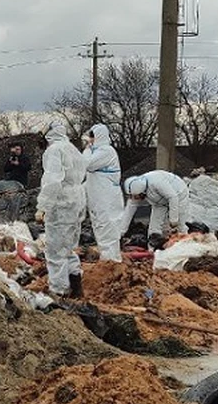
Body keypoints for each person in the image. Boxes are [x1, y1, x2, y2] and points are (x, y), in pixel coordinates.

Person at [33, 121, 86, 299]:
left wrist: (42, 206)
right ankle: (76, 286)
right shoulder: (72, 149)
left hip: (61, 204)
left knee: (55, 251)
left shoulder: (54, 151)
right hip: (76, 201)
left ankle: (59, 291)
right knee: (69, 248)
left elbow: (52, 180)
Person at [82, 124, 124, 262]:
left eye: (92, 137)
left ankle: (112, 262)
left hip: (107, 202)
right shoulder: (98, 152)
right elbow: (90, 178)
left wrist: (87, 149)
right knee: (101, 230)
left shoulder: (106, 151)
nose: (90, 140)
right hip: (99, 202)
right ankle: (108, 261)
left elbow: (86, 164)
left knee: (108, 231)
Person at [120, 170, 190, 239]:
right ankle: (153, 248)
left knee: (180, 224)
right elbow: (128, 213)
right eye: (130, 196)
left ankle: (186, 244)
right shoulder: (135, 192)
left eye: (136, 196)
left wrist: (173, 219)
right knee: (154, 227)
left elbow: (172, 197)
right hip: (158, 202)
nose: (134, 199)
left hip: (178, 194)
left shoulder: (156, 182)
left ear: (142, 192)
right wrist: (121, 232)